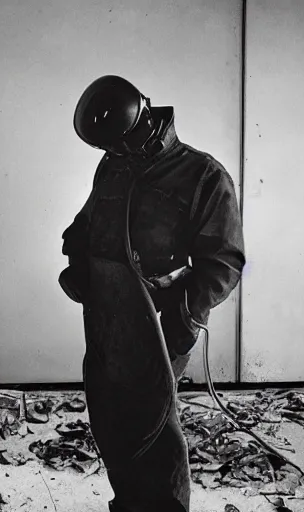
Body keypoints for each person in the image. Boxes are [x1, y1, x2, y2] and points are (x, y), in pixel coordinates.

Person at [59, 75, 245, 512]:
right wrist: (79, 257)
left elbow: (224, 262)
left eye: (116, 146)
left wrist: (186, 318)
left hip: (160, 317)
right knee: (109, 416)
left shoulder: (204, 176)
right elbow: (89, 221)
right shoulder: (116, 163)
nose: (111, 155)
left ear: (138, 127)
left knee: (152, 425)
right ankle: (129, 503)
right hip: (109, 311)